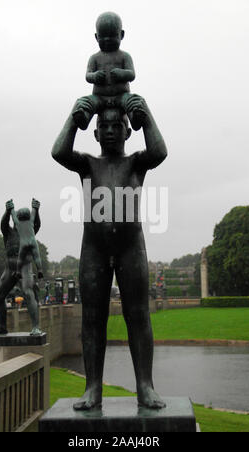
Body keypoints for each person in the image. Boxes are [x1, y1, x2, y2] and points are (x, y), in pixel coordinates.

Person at [52, 94, 168, 410]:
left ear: (128, 132)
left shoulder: (136, 163)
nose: (111, 131)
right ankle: (93, 388)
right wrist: (75, 117)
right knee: (92, 319)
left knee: (139, 315)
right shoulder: (88, 165)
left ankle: (145, 385)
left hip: (131, 246)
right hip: (95, 249)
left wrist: (145, 112)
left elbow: (159, 151)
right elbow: (59, 151)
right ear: (96, 132)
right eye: (105, 126)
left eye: (118, 125)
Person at [72, 12, 145, 132]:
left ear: (121, 35)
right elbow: (88, 75)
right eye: (103, 37)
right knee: (85, 102)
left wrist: (122, 74)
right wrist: (94, 76)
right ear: (96, 37)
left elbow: (132, 74)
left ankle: (136, 118)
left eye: (112, 36)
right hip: (99, 97)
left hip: (121, 96)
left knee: (132, 102)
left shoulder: (124, 56)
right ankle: (83, 117)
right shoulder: (94, 58)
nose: (107, 40)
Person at [0, 198, 41, 335]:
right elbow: (3, 223)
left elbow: (37, 224)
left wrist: (37, 210)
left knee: (28, 294)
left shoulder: (29, 231)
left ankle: (36, 326)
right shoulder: (8, 232)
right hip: (10, 268)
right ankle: (2, 326)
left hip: (25, 268)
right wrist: (7, 211)